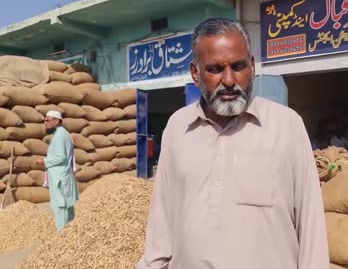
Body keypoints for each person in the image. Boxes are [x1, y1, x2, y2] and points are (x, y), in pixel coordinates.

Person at [137, 18, 329, 269]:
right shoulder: (177, 127)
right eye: (215, 69)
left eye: (238, 66)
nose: (229, 80)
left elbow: (310, 220)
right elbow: (162, 216)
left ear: (252, 66)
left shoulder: (287, 125)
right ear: (196, 73)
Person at [36, 110, 79, 231]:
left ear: (57, 121)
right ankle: (71, 233)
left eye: (48, 120)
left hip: (60, 177)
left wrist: (44, 161)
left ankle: (62, 235)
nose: (45, 123)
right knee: (66, 206)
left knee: (60, 206)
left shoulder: (60, 136)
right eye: (45, 120)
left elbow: (61, 157)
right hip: (60, 176)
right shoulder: (60, 134)